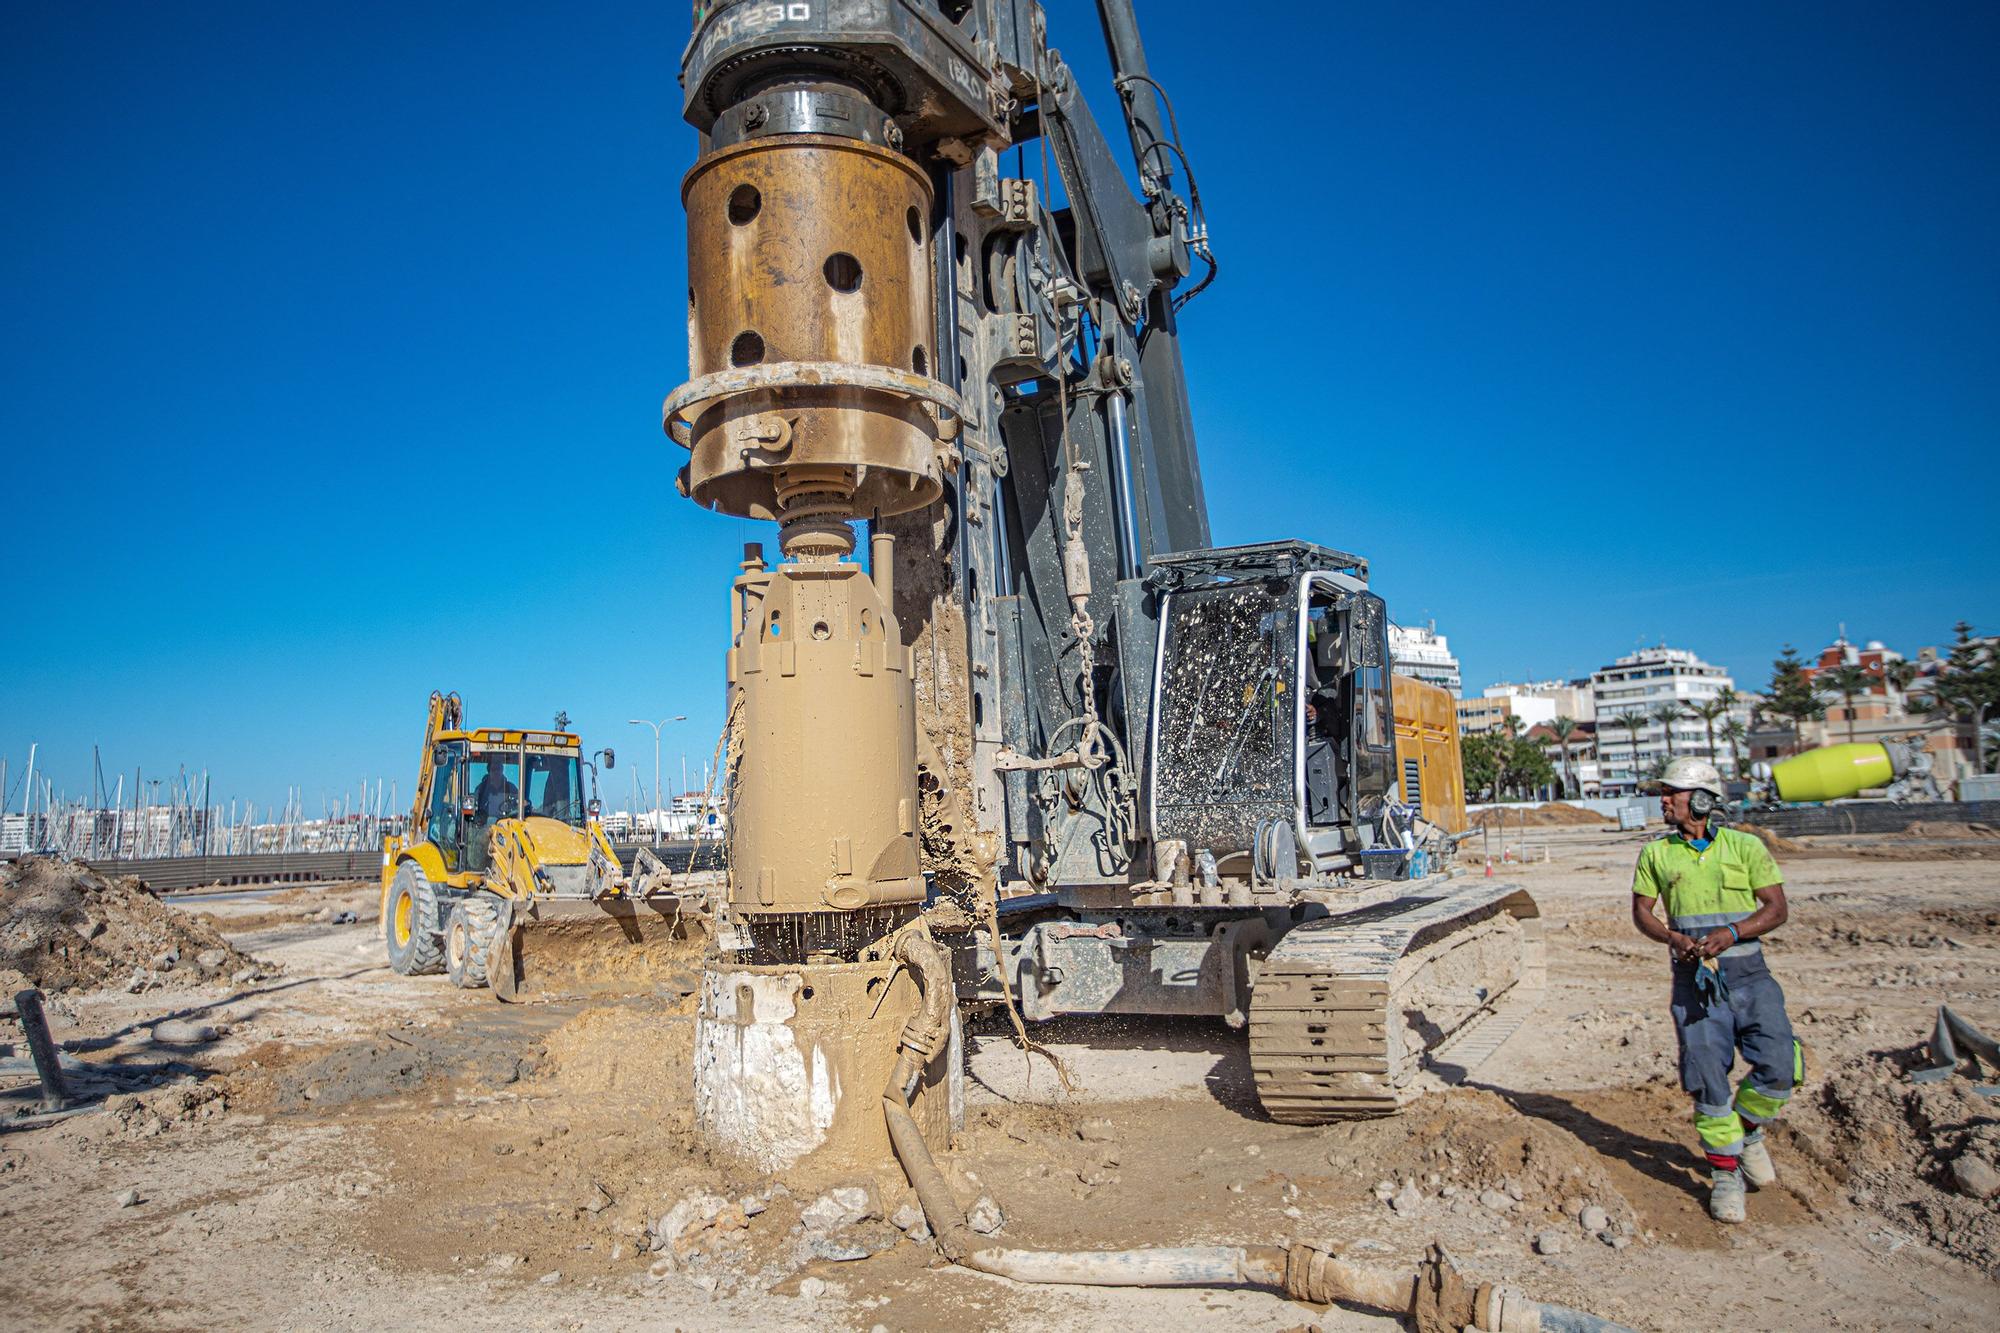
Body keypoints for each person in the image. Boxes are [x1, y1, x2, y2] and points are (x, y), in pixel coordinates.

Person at [1629, 756, 1798, 1224]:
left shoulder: (1746, 847)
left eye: (1672, 792)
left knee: (1781, 1064)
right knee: (1708, 1079)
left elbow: (1777, 909)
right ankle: (1726, 1175)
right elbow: (1643, 912)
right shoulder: (1656, 854)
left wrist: (1734, 932)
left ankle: (1747, 1132)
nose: (1663, 800)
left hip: (1750, 975)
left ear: (1701, 800)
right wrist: (1671, 937)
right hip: (1695, 984)